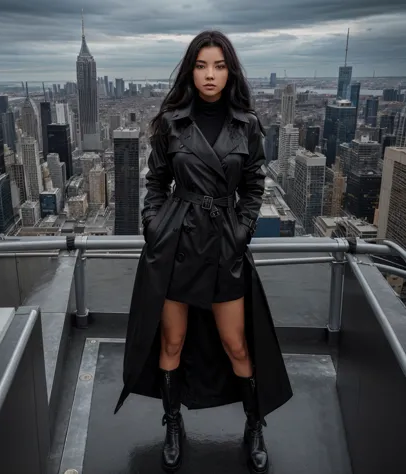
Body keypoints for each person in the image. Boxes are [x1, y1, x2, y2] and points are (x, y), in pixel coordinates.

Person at [114, 30, 293, 473]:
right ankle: (172, 422)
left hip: (223, 244)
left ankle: (255, 423)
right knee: (171, 340)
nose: (210, 74)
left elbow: (254, 185)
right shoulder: (171, 121)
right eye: (201, 65)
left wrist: (243, 230)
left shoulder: (247, 124)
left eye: (218, 65)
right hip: (176, 240)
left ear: (229, 71)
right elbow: (155, 183)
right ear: (190, 70)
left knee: (236, 343)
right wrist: (154, 227)